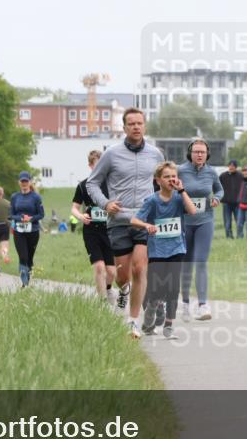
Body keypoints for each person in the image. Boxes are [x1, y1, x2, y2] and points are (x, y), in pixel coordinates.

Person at [86, 108, 164, 337]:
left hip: (144, 219)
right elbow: (92, 183)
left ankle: (133, 320)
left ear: (145, 126)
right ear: (124, 127)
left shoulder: (155, 154)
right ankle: (126, 291)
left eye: (140, 123)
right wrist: (105, 203)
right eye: (131, 124)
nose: (136, 127)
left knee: (140, 268)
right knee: (122, 277)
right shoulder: (111, 154)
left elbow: (163, 183)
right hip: (119, 220)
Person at [131, 161, 198, 338]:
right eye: (167, 177)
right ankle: (152, 307)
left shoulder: (179, 198)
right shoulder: (152, 201)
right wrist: (146, 225)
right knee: (157, 289)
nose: (171, 179)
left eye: (173, 176)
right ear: (158, 180)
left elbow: (192, 211)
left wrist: (182, 191)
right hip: (157, 251)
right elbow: (134, 221)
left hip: (177, 248)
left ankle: (169, 326)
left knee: (173, 288)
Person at [178, 138, 223, 321]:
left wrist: (217, 199)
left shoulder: (211, 172)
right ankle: (186, 303)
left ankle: (203, 304)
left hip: (205, 221)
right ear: (190, 153)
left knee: (201, 261)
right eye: (196, 151)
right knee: (186, 263)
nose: (199, 155)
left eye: (202, 152)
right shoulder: (180, 170)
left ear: (207, 154)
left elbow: (220, 190)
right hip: (185, 222)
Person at [72, 150, 118, 304]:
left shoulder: (112, 185)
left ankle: (108, 288)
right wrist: (80, 216)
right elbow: (74, 208)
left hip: (110, 230)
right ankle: (102, 301)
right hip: (91, 230)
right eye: (96, 165)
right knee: (99, 267)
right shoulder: (83, 185)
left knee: (111, 271)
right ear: (90, 166)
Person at [10, 171, 45, 287]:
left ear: (30, 182)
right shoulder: (15, 197)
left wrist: (30, 218)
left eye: (26, 181)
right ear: (19, 183)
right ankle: (24, 283)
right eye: (22, 181)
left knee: (29, 258)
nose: (24, 183)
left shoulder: (36, 197)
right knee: (23, 256)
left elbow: (41, 215)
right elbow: (11, 215)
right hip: (19, 231)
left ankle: (28, 281)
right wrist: (20, 218)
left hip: (33, 231)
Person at [219, 159, 242, 239]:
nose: (231, 167)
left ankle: (240, 236)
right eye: (230, 165)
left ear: (236, 167)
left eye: (233, 166)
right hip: (226, 203)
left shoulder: (241, 176)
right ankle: (229, 236)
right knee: (227, 221)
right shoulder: (223, 176)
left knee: (239, 221)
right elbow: (217, 187)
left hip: (238, 203)